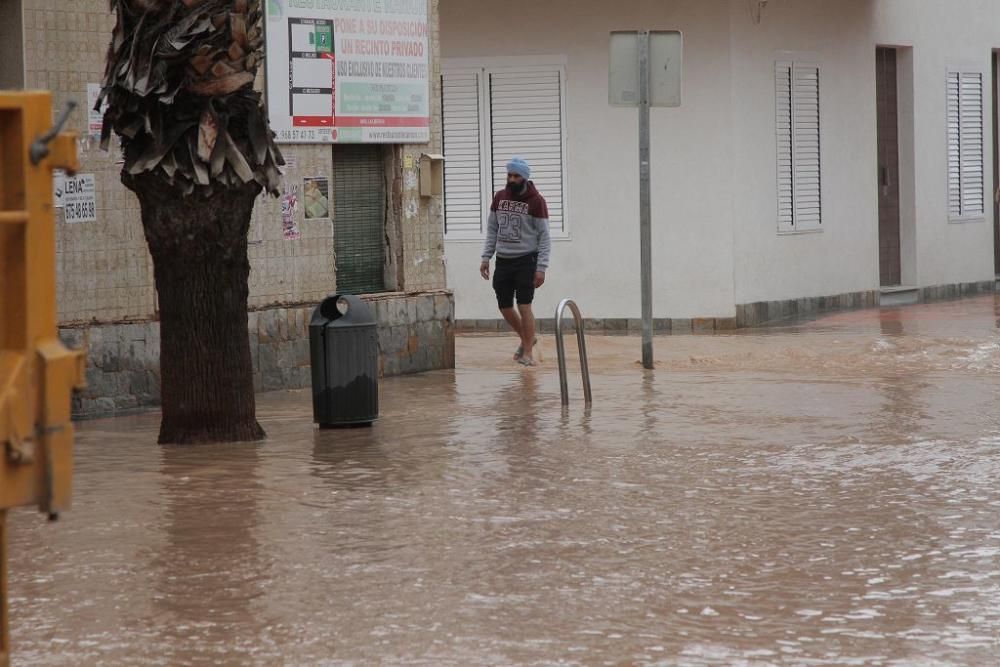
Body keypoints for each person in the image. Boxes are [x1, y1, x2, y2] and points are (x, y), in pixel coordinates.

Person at [480, 157, 551, 366]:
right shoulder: (500, 197)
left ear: (525, 178)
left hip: (526, 260)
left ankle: (528, 352)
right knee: (504, 305)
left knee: (524, 305)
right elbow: (493, 229)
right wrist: (486, 257)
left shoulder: (536, 201)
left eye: (516, 176)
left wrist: (541, 268)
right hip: (503, 260)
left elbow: (544, 237)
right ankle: (528, 338)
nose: (511, 179)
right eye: (509, 175)